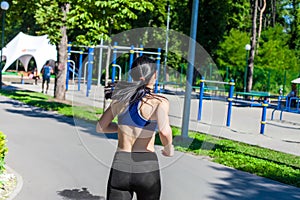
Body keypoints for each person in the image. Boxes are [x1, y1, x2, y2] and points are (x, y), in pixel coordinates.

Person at [96, 55, 174, 200]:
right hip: (146, 166)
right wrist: (169, 149)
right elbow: (164, 131)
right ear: (154, 75)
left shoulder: (121, 99)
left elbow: (101, 127)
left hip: (121, 165)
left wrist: (120, 128)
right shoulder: (159, 102)